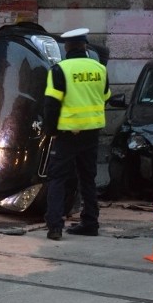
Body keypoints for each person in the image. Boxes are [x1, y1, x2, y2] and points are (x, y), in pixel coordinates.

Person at [42, 28, 111, 240]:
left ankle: (55, 226)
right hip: (92, 132)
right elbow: (105, 97)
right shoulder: (99, 69)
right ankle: (91, 223)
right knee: (88, 178)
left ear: (66, 47)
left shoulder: (60, 70)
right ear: (85, 46)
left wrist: (50, 131)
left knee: (57, 179)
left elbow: (51, 105)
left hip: (67, 134)